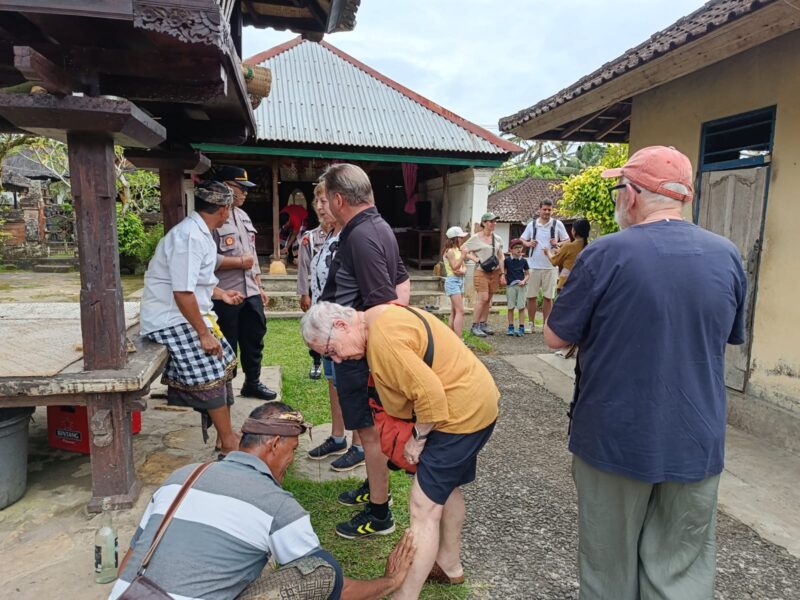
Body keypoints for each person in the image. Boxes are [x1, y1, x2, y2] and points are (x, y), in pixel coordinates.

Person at [544, 146, 747, 600]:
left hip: (615, 434)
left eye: (620, 188)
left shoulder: (605, 253)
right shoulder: (727, 255)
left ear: (631, 195)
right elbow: (728, 335)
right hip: (696, 436)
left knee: (608, 567)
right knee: (681, 568)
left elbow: (556, 337)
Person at [110, 403, 416, 600]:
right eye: (293, 450)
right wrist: (389, 581)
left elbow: (135, 553)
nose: (291, 461)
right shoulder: (277, 505)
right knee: (322, 570)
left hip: (131, 595)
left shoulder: (182, 476)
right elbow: (336, 585)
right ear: (275, 444)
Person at [300, 301, 499, 600]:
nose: (337, 360)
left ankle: (404, 595)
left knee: (422, 507)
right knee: (446, 489)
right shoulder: (378, 317)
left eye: (331, 351)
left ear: (341, 325)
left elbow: (431, 394)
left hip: (458, 414)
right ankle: (449, 565)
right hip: (475, 400)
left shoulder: (383, 340)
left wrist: (418, 438)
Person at [319, 163, 411, 539]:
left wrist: (364, 345)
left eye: (327, 199)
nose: (326, 206)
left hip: (356, 352)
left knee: (369, 433)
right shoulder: (376, 227)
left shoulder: (361, 235)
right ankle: (374, 486)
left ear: (339, 199)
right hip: (356, 346)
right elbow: (402, 281)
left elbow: (383, 303)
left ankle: (379, 511)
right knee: (368, 430)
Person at [140, 181, 244, 457]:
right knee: (210, 370)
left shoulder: (201, 233)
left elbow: (197, 283)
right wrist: (203, 334)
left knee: (225, 364)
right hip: (171, 318)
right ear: (223, 209)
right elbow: (182, 292)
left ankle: (225, 436)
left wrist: (221, 294)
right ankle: (228, 442)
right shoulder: (189, 238)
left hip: (189, 313)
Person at [303, 182, 364, 472]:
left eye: (325, 200)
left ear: (340, 201)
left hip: (345, 331)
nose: (319, 206)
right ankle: (338, 437)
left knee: (352, 387)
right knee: (333, 382)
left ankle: (359, 445)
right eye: (316, 200)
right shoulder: (328, 236)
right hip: (327, 330)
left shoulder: (352, 236)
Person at [211, 166, 277, 402]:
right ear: (225, 187)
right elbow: (205, 259)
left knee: (254, 338)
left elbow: (253, 257)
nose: (245, 193)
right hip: (225, 293)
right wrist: (239, 262)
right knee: (226, 341)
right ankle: (224, 388)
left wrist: (259, 286)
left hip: (250, 292)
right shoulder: (213, 218)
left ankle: (252, 383)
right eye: (241, 188)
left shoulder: (243, 216)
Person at [520, 199, 570, 333]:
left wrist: (557, 244)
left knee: (548, 297)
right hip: (533, 265)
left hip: (551, 266)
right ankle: (530, 323)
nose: (547, 212)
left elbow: (567, 240)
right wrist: (528, 244)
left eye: (549, 210)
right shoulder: (532, 224)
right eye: (544, 209)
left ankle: (545, 325)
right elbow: (522, 239)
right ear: (539, 210)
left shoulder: (557, 224)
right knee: (531, 296)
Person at [297, 190, 329, 381]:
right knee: (316, 328)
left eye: (323, 202)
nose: (320, 208)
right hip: (317, 291)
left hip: (337, 293)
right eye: (317, 204)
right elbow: (302, 268)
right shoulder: (310, 238)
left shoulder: (344, 234)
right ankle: (316, 362)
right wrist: (304, 294)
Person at [462, 212, 505, 338]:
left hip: (495, 272)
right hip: (481, 271)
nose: (494, 224)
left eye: (495, 221)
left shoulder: (497, 238)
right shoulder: (476, 238)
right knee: (483, 298)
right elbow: (463, 249)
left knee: (488, 299)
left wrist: (502, 273)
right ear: (484, 223)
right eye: (491, 221)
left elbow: (501, 256)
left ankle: (483, 324)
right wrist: (475, 259)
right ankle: (474, 326)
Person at [544, 218, 590, 292]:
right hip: (584, 284)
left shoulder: (568, 247)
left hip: (567, 284)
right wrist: (560, 251)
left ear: (574, 231)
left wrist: (548, 252)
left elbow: (554, 262)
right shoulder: (590, 247)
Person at [442, 226, 468, 336]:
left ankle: (452, 337)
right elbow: (454, 267)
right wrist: (463, 256)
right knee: (460, 311)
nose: (462, 239)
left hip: (460, 280)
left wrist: (462, 271)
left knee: (454, 311)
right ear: (455, 238)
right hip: (452, 281)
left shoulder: (457, 250)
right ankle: (458, 338)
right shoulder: (450, 251)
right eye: (460, 237)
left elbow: (464, 267)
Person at [504, 239, 529, 336]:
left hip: (521, 286)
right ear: (511, 249)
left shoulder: (524, 261)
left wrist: (524, 281)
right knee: (510, 307)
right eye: (516, 248)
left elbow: (527, 274)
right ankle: (510, 327)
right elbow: (504, 272)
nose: (519, 249)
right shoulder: (507, 261)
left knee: (521, 307)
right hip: (510, 286)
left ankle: (521, 327)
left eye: (520, 247)